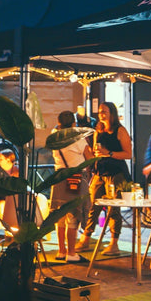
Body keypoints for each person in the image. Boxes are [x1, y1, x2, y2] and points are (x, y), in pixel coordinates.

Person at [79, 102, 132, 255]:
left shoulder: (120, 130)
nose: (101, 114)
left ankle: (114, 243)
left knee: (113, 208)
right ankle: (86, 237)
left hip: (116, 173)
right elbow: (96, 151)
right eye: (100, 111)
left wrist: (108, 153)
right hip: (100, 172)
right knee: (93, 204)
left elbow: (128, 154)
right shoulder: (98, 130)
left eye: (104, 111)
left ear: (112, 113)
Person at [50, 110, 93, 263]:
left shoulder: (54, 136)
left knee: (60, 216)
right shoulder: (78, 140)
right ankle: (72, 253)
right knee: (73, 216)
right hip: (75, 178)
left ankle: (61, 251)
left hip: (59, 178)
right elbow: (90, 158)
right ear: (74, 123)